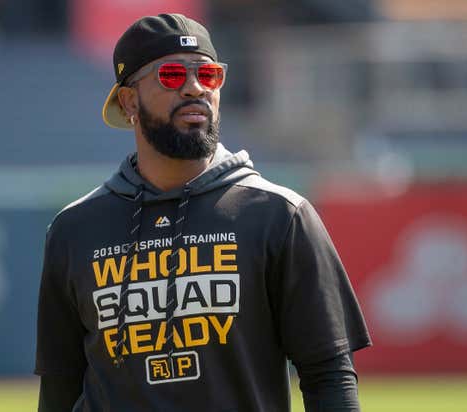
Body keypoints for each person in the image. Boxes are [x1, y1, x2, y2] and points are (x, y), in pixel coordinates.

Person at [35, 13, 371, 412]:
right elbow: (60, 389)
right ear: (129, 102)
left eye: (209, 75)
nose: (195, 88)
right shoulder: (75, 229)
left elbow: (329, 377)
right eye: (172, 75)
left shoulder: (280, 215)